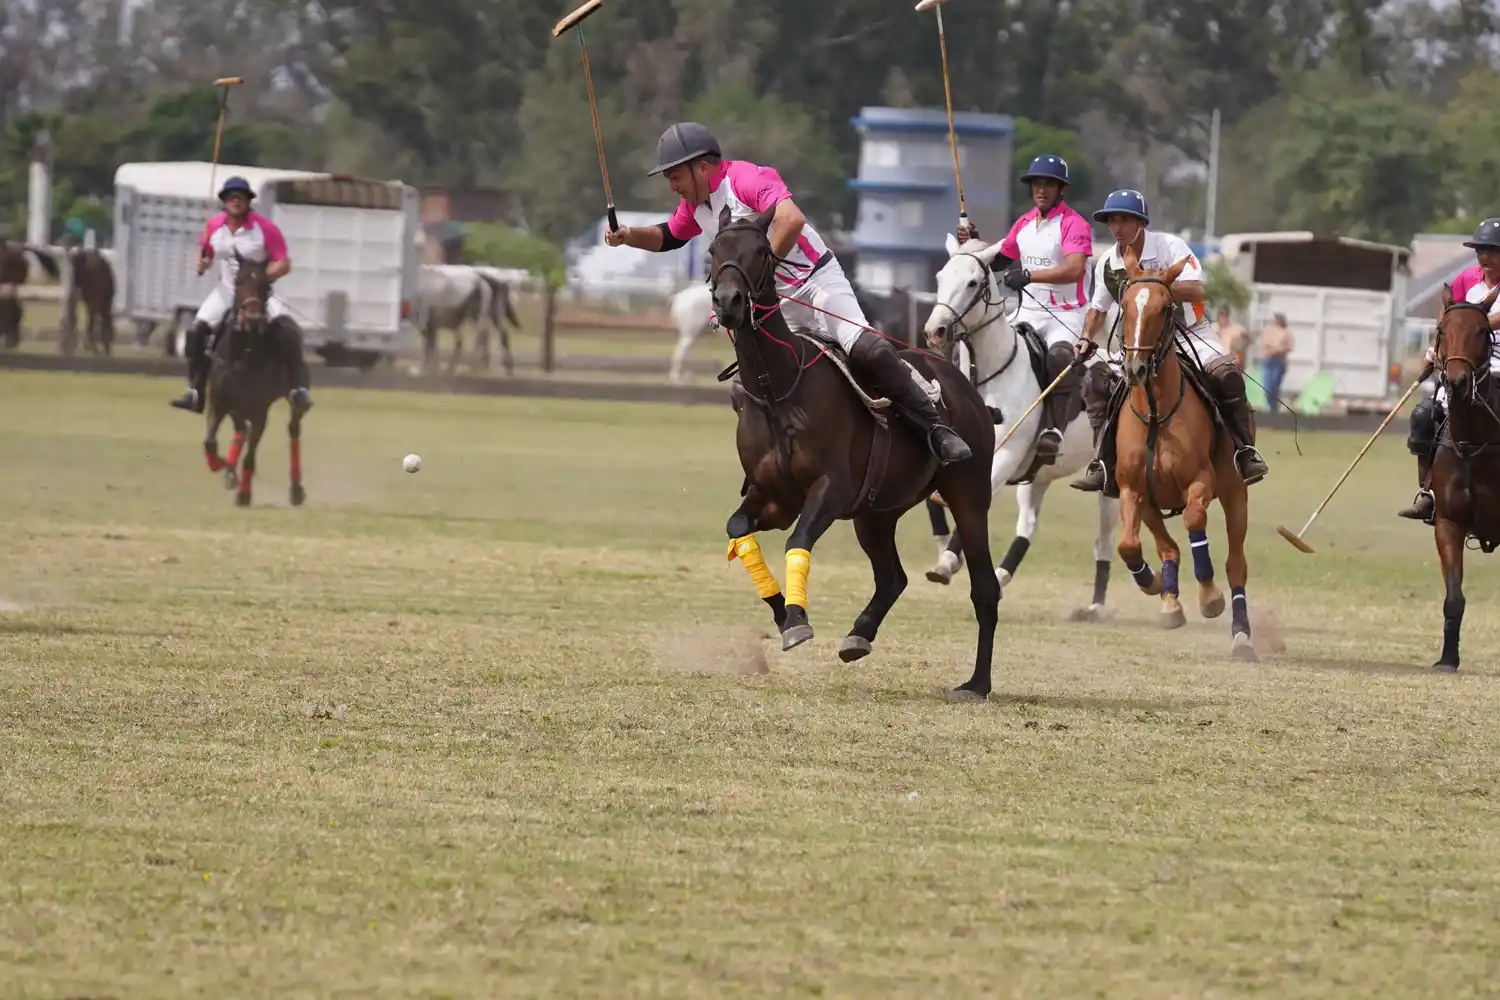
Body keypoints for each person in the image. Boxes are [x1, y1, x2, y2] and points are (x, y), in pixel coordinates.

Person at [606, 122, 970, 464]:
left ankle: (936, 425)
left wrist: (766, 269)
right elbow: (669, 235)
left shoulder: (745, 179)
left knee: (863, 347)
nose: (672, 186)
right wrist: (628, 235)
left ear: (701, 167)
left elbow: (790, 219)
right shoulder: (695, 206)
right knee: (762, 376)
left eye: (675, 176)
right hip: (774, 300)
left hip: (815, 281)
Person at [1068, 189, 1269, 493]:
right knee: (1094, 384)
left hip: (1188, 332)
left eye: (1124, 220)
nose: (1117, 227)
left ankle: (1245, 451)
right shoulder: (1108, 263)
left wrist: (1155, 290)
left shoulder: (1170, 246)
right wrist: (1085, 338)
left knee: (1227, 376)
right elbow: (1097, 309)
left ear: (1141, 223)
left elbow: (1198, 290)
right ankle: (1103, 462)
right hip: (1138, 345)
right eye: (1112, 220)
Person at [952, 154, 1093, 463]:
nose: (1041, 190)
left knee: (1060, 359)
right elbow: (1000, 260)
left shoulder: (1074, 224)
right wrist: (974, 242)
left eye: (1049, 184)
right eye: (1036, 184)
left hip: (1066, 315)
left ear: (1060, 190)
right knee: (979, 347)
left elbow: (1074, 270)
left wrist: (1030, 275)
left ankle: (1052, 431)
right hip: (1028, 312)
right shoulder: (1024, 223)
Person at [169, 176, 312, 417]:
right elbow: (204, 255)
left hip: (261, 293)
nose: (235, 201)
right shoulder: (213, 226)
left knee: (289, 331)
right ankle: (195, 391)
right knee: (197, 332)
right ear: (225, 201)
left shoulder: (265, 229)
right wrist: (202, 263)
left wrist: (260, 281)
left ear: (248, 201)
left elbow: (284, 263)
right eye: (230, 197)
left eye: (240, 196)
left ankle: (298, 389)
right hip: (225, 291)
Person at [1398, 217, 1500, 522]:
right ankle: (1429, 492)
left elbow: (1477, 321)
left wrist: (1466, 325)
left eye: (1493, 250)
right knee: (1425, 415)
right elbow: (1446, 319)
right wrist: (1435, 349)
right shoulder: (1465, 280)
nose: (1485, 257)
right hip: (1466, 364)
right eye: (1480, 250)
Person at [1257, 312, 1293, 411]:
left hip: (1278, 361)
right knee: (1267, 387)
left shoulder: (1286, 332)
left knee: (1274, 386)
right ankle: (1271, 407)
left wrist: (1276, 349)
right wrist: (1274, 348)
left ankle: (1274, 409)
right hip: (1268, 361)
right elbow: (1264, 343)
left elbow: (1288, 347)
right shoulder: (1269, 331)